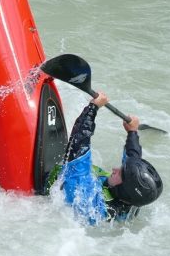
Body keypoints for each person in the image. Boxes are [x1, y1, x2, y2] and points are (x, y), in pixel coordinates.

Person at [55, 91, 163, 225]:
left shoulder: (89, 201)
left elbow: (77, 146)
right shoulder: (133, 199)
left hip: (44, 184)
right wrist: (132, 132)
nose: (115, 169)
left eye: (120, 173)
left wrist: (92, 109)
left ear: (123, 189)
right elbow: (133, 160)